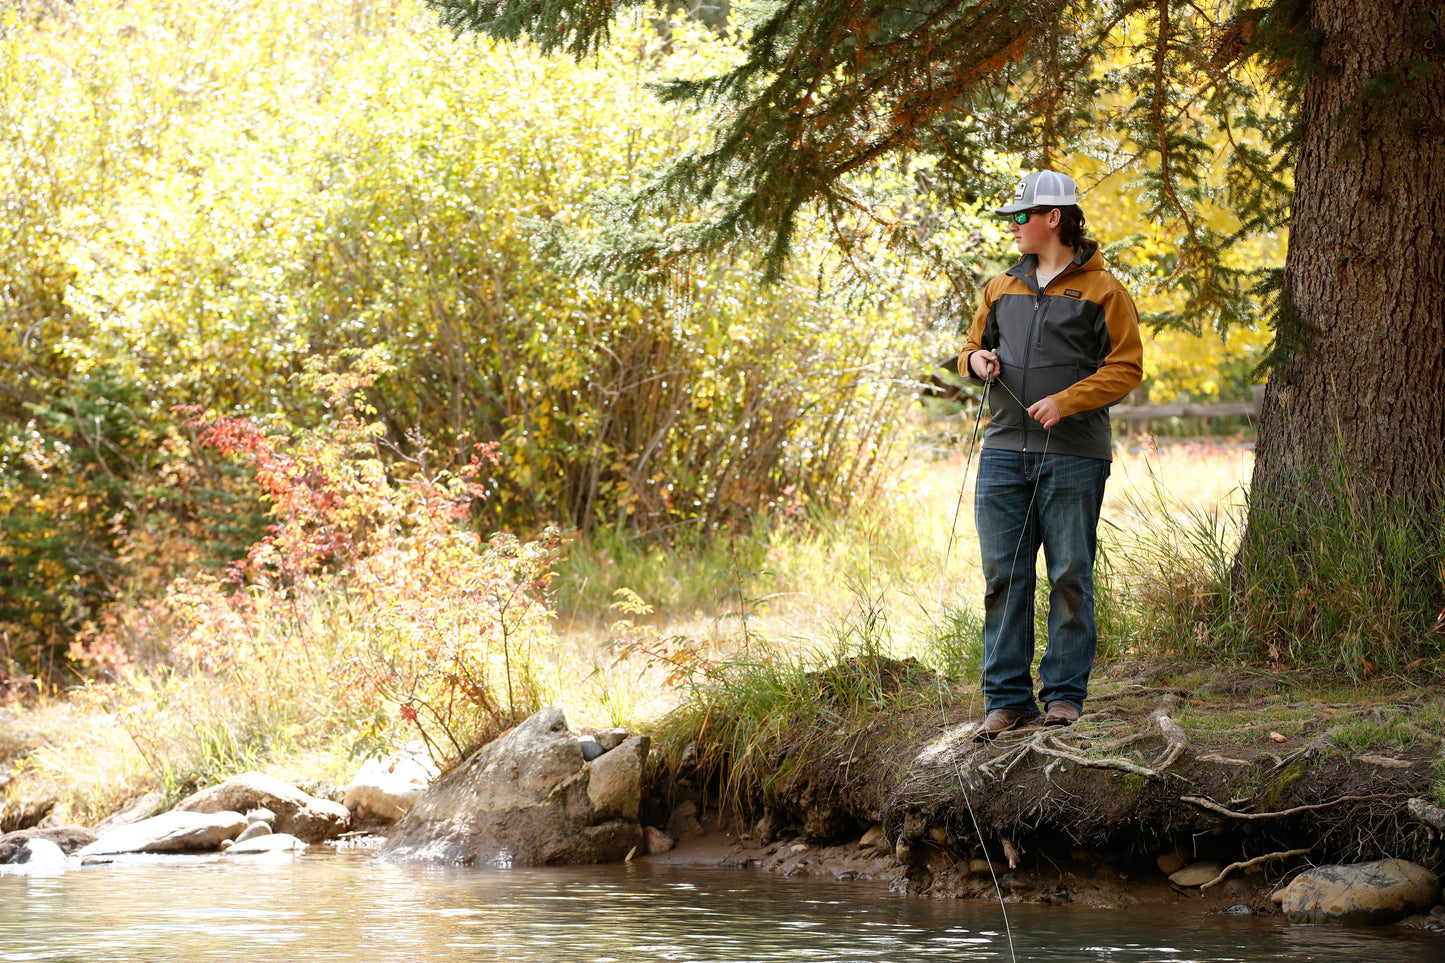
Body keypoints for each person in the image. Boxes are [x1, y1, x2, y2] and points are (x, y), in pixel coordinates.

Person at [959, 169, 1143, 738]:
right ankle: (1007, 700)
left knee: (1069, 574)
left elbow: (1127, 367)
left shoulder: (1104, 290)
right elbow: (972, 347)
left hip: (1074, 454)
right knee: (1002, 578)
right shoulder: (999, 287)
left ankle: (1064, 696)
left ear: (1053, 218)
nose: (1013, 227)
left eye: (1022, 217)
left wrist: (1067, 401)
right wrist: (976, 363)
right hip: (1003, 454)